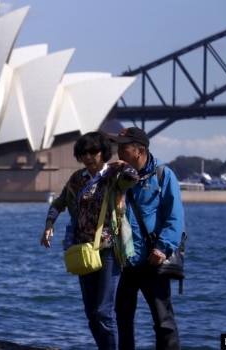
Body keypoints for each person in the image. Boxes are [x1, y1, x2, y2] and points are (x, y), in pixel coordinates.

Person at [40, 131, 139, 350]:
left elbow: (134, 178)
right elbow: (60, 202)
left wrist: (121, 165)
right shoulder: (77, 178)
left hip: (109, 248)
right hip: (83, 249)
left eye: (93, 151)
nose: (88, 156)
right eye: (83, 152)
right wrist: (49, 224)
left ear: (103, 152)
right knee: (91, 313)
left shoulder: (114, 176)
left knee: (104, 311)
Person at [109, 127, 184, 350]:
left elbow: (175, 217)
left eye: (124, 148)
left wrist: (162, 248)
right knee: (122, 318)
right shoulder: (117, 175)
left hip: (153, 259)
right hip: (124, 260)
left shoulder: (163, 175)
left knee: (163, 321)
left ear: (140, 150)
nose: (119, 152)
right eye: (118, 147)